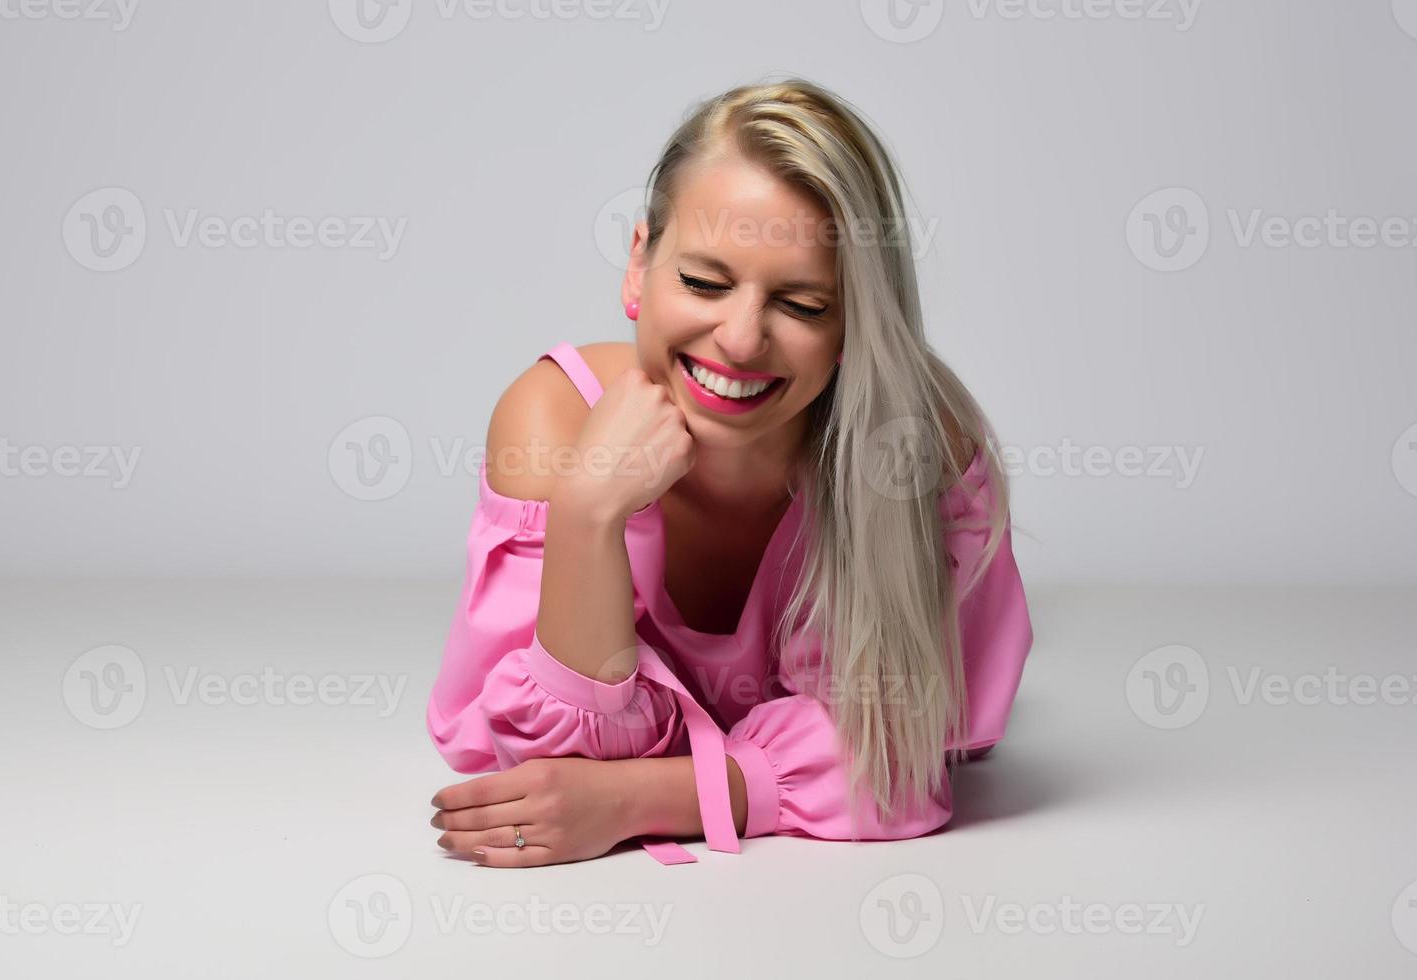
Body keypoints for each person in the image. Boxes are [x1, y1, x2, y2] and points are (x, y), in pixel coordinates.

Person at [426, 76, 1034, 868]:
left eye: (805, 305)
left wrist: (640, 799)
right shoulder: (551, 419)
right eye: (704, 282)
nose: (741, 341)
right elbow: (525, 770)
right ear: (640, 262)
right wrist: (587, 511)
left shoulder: (915, 448)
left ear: (857, 318)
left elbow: (894, 763)